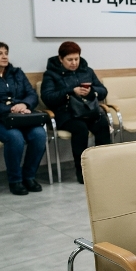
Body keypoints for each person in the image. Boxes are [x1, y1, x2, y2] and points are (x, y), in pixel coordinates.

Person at [41, 41, 111, 184]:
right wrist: (70, 91)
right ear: (61, 59)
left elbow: (103, 91)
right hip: (66, 114)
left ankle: (103, 167)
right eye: (70, 60)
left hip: (88, 111)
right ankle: (82, 172)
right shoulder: (51, 74)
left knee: (103, 125)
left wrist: (92, 91)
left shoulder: (87, 71)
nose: (74, 63)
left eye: (76, 59)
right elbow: (48, 97)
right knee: (80, 129)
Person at [0, 40, 46, 195]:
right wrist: (9, 108)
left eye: (6, 53)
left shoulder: (17, 73)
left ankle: (29, 177)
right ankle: (15, 180)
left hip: (21, 118)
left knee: (39, 134)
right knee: (14, 137)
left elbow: (32, 94)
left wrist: (24, 104)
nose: (4, 56)